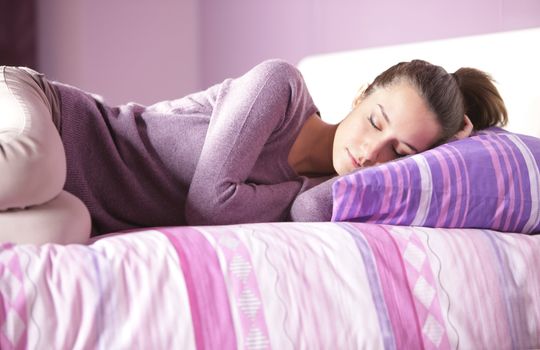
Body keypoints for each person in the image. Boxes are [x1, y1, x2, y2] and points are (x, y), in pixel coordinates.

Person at [0, 59, 507, 244]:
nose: (371, 152)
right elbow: (208, 206)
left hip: (78, 199)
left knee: (56, 232)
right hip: (52, 117)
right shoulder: (280, 89)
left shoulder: (318, 196)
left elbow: (307, 210)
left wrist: (451, 156)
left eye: (399, 153)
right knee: (32, 169)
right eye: (375, 121)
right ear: (360, 97)